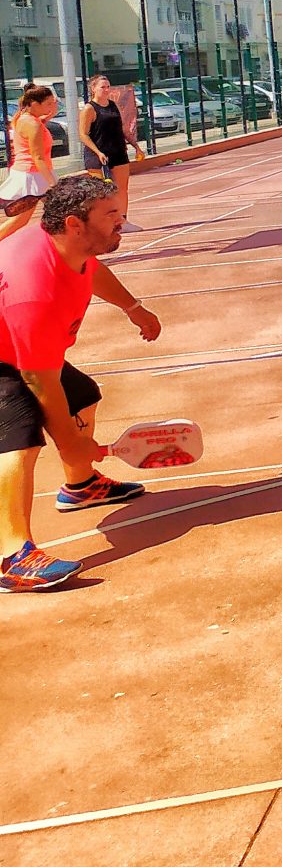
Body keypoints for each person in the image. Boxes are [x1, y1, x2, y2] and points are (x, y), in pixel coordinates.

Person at [0, 175, 162, 591]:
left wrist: (133, 306)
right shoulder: (32, 289)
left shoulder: (69, 246)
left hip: (18, 345)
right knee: (18, 438)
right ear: (74, 223)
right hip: (7, 355)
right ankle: (11, 557)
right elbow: (40, 379)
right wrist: (72, 443)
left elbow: (91, 269)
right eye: (111, 215)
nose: (122, 221)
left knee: (83, 396)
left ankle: (82, 485)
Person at [78, 75, 144, 223]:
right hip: (97, 157)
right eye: (103, 87)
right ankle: (102, 223)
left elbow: (123, 130)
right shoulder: (89, 109)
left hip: (118, 153)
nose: (106, 90)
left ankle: (123, 221)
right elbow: (83, 135)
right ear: (93, 89)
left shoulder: (113, 105)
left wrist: (137, 147)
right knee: (101, 192)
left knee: (121, 189)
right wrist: (98, 152)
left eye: (108, 87)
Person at [0, 86, 61, 244]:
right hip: (32, 175)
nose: (50, 106)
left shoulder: (30, 118)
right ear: (34, 104)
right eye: (47, 103)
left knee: (59, 213)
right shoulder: (31, 123)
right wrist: (53, 184)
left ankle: (59, 248)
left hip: (36, 173)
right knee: (20, 219)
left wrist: (52, 109)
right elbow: (38, 157)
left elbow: (43, 120)